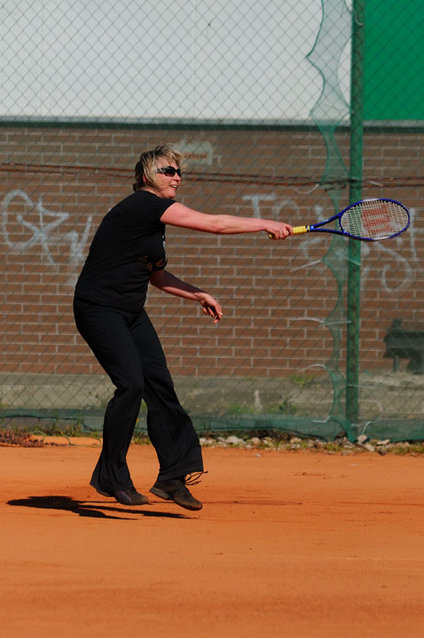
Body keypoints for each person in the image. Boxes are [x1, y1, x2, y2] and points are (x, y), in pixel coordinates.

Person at [73, 144, 292, 511]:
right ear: (146, 177)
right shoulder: (143, 205)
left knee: (160, 387)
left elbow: (155, 275)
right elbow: (214, 224)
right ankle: (112, 476)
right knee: (131, 384)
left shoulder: (153, 225)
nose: (175, 177)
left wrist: (197, 294)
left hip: (130, 311)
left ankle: (173, 477)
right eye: (166, 171)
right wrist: (264, 222)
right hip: (99, 308)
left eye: (178, 172)